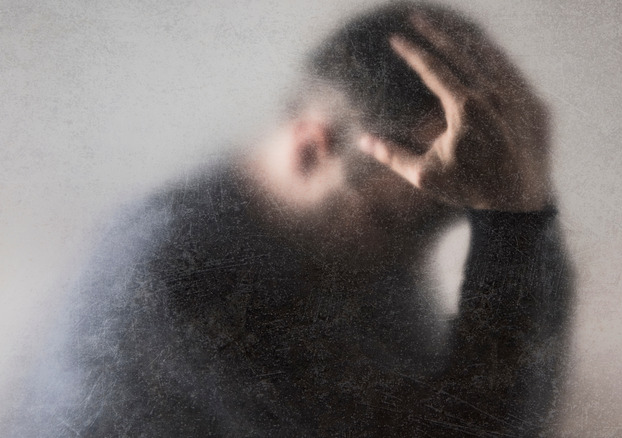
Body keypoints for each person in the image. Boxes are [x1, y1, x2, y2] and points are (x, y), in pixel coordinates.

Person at [19, 2, 572, 436]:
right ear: (311, 148)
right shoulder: (177, 283)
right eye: (389, 221)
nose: (412, 256)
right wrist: (516, 224)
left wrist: (518, 208)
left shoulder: (335, 239)